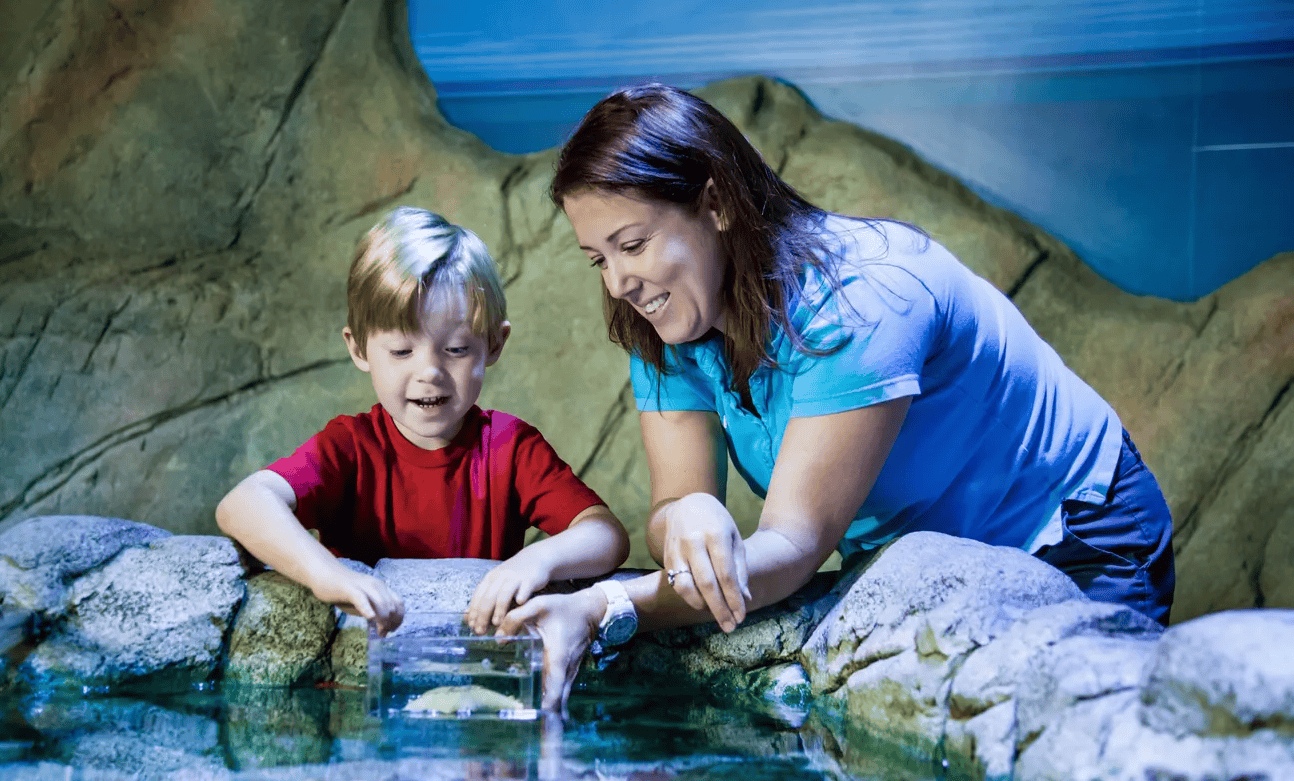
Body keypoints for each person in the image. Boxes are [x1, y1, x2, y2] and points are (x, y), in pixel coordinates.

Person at [499, 83, 1175, 712]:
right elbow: (672, 509)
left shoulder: (862, 300)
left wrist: (599, 607)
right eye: (599, 259)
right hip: (918, 555)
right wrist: (687, 513)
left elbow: (791, 548)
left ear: (716, 203)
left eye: (633, 244)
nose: (618, 283)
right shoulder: (669, 322)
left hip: (1068, 533)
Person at [216, 207, 631, 636]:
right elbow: (243, 504)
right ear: (359, 349)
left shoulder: (510, 447)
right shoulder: (349, 447)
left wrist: (537, 559)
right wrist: (328, 576)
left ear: (493, 344)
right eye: (401, 351)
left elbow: (606, 535)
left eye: (455, 349)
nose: (429, 371)